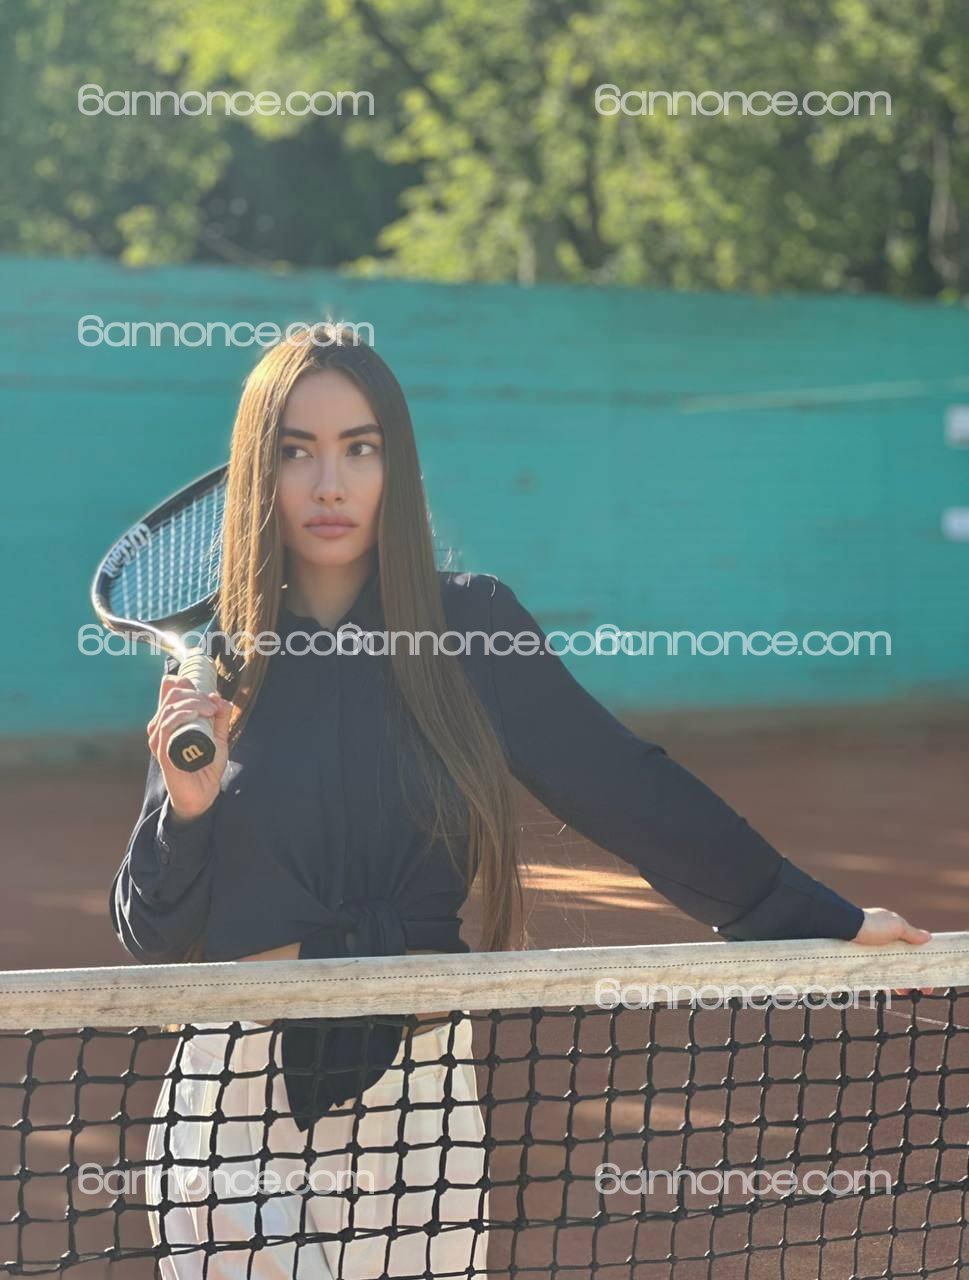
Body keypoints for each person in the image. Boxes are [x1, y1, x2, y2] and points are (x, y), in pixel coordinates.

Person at [110, 323, 931, 1279]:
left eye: (359, 448)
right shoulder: (215, 663)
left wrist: (817, 916)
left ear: (395, 465)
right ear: (261, 472)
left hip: (414, 1100)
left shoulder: (474, 628)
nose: (329, 484)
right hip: (235, 1106)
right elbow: (153, 937)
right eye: (297, 452)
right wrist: (187, 806)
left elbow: (628, 788)